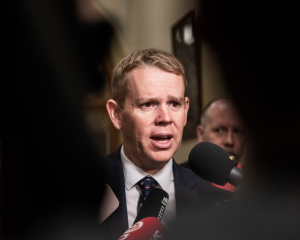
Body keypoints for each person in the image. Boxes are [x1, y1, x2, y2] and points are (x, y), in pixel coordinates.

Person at [99, 48, 212, 240]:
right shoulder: (79, 188)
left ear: (186, 111)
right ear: (116, 114)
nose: (165, 118)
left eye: (174, 104)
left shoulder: (210, 195)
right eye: (148, 104)